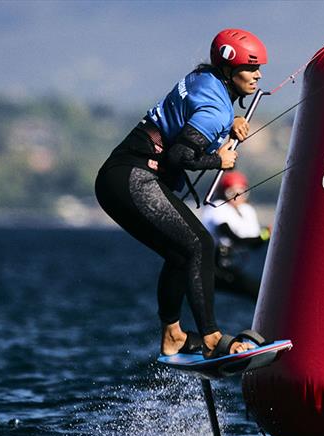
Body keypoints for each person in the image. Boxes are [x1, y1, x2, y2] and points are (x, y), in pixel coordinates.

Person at [94, 29, 267, 358]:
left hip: (117, 177)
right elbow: (179, 157)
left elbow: (189, 117)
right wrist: (220, 159)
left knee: (180, 253)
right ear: (230, 70)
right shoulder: (216, 109)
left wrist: (229, 125)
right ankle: (212, 337)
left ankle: (173, 334)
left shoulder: (203, 77)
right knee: (200, 243)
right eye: (250, 68)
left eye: (259, 68)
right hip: (134, 176)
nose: (257, 75)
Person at [201, 171, 270, 299]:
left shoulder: (247, 211)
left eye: (242, 192)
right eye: (232, 193)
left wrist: (267, 234)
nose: (237, 197)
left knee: (259, 292)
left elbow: (255, 244)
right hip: (215, 264)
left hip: (236, 264)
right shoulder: (217, 208)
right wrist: (264, 235)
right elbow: (232, 237)